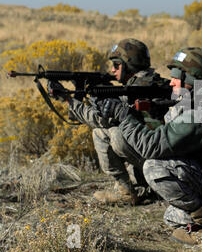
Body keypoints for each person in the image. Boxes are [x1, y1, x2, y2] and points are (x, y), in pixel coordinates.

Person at [97, 47, 202, 245]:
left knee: (154, 167)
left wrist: (124, 116)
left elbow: (152, 146)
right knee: (171, 215)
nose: (171, 81)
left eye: (176, 76)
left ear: (191, 79)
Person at [51, 38, 171, 205]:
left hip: (162, 158)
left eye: (116, 65)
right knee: (109, 132)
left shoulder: (137, 89)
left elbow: (100, 120)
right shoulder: (148, 82)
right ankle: (131, 189)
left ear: (130, 65)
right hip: (157, 153)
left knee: (113, 134)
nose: (112, 70)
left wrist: (68, 100)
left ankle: (133, 191)